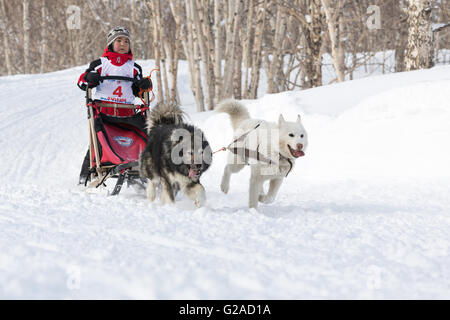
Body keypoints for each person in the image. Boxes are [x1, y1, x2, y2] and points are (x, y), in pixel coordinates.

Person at [77, 26, 152, 184]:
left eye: (126, 41)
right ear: (110, 43)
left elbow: (138, 92)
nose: (123, 44)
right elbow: (81, 83)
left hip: (127, 114)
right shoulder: (100, 64)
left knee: (142, 137)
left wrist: (144, 85)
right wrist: (89, 77)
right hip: (104, 113)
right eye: (119, 40)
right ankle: (85, 177)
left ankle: (137, 173)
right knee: (98, 142)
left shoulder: (134, 68)